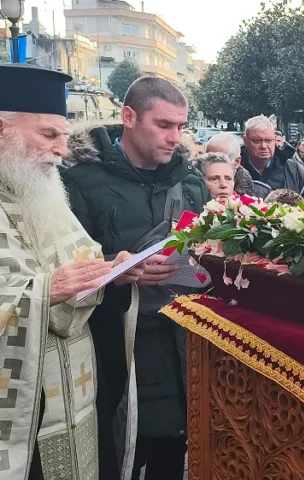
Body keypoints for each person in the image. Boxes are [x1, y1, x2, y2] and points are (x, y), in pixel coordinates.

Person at [62, 77, 211, 480]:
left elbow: (207, 253)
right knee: (119, 458)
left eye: (180, 126)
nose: (175, 137)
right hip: (118, 353)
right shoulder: (80, 182)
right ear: (129, 117)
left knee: (173, 461)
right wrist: (118, 270)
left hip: (186, 350)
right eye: (163, 125)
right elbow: (63, 266)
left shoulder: (191, 182)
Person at [0, 64, 142, 480]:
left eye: (64, 135)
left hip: (72, 392)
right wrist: (46, 291)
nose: (62, 150)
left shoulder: (40, 189)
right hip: (16, 414)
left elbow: (75, 264)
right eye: (49, 135)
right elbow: (46, 284)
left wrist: (110, 273)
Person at [241, 115, 304, 198]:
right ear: (245, 140)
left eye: (268, 140)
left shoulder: (293, 170)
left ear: (274, 139)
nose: (263, 146)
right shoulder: (234, 169)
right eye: (257, 141)